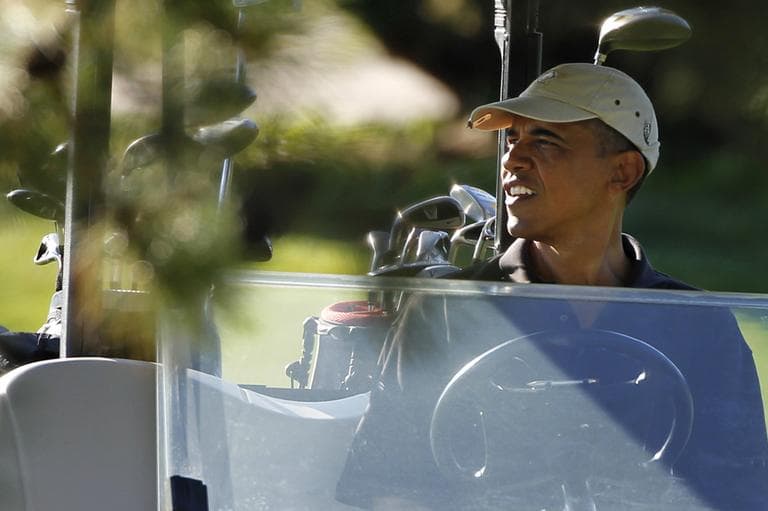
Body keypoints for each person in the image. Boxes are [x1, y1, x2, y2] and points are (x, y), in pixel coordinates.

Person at [335, 63, 768, 510]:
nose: (512, 159)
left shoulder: (697, 324)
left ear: (622, 172)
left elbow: (735, 492)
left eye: (545, 141)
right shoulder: (448, 308)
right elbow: (386, 486)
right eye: (512, 140)